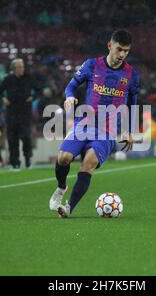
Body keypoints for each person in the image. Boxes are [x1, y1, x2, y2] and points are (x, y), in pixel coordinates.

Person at [49, 29, 140, 218]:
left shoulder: (131, 74)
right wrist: (70, 97)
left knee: (88, 162)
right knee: (64, 158)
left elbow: (132, 104)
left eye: (126, 51)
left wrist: (129, 130)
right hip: (85, 123)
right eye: (119, 49)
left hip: (107, 130)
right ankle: (61, 187)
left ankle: (68, 208)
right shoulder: (92, 65)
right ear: (110, 46)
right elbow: (71, 86)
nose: (122, 54)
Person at [0, 58, 41, 170]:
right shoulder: (8, 79)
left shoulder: (29, 78)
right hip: (11, 113)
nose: (22, 68)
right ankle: (14, 163)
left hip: (25, 113)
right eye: (19, 67)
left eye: (22, 66)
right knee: (12, 139)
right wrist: (3, 99)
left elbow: (39, 90)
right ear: (14, 68)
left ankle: (28, 159)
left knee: (26, 137)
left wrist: (33, 97)